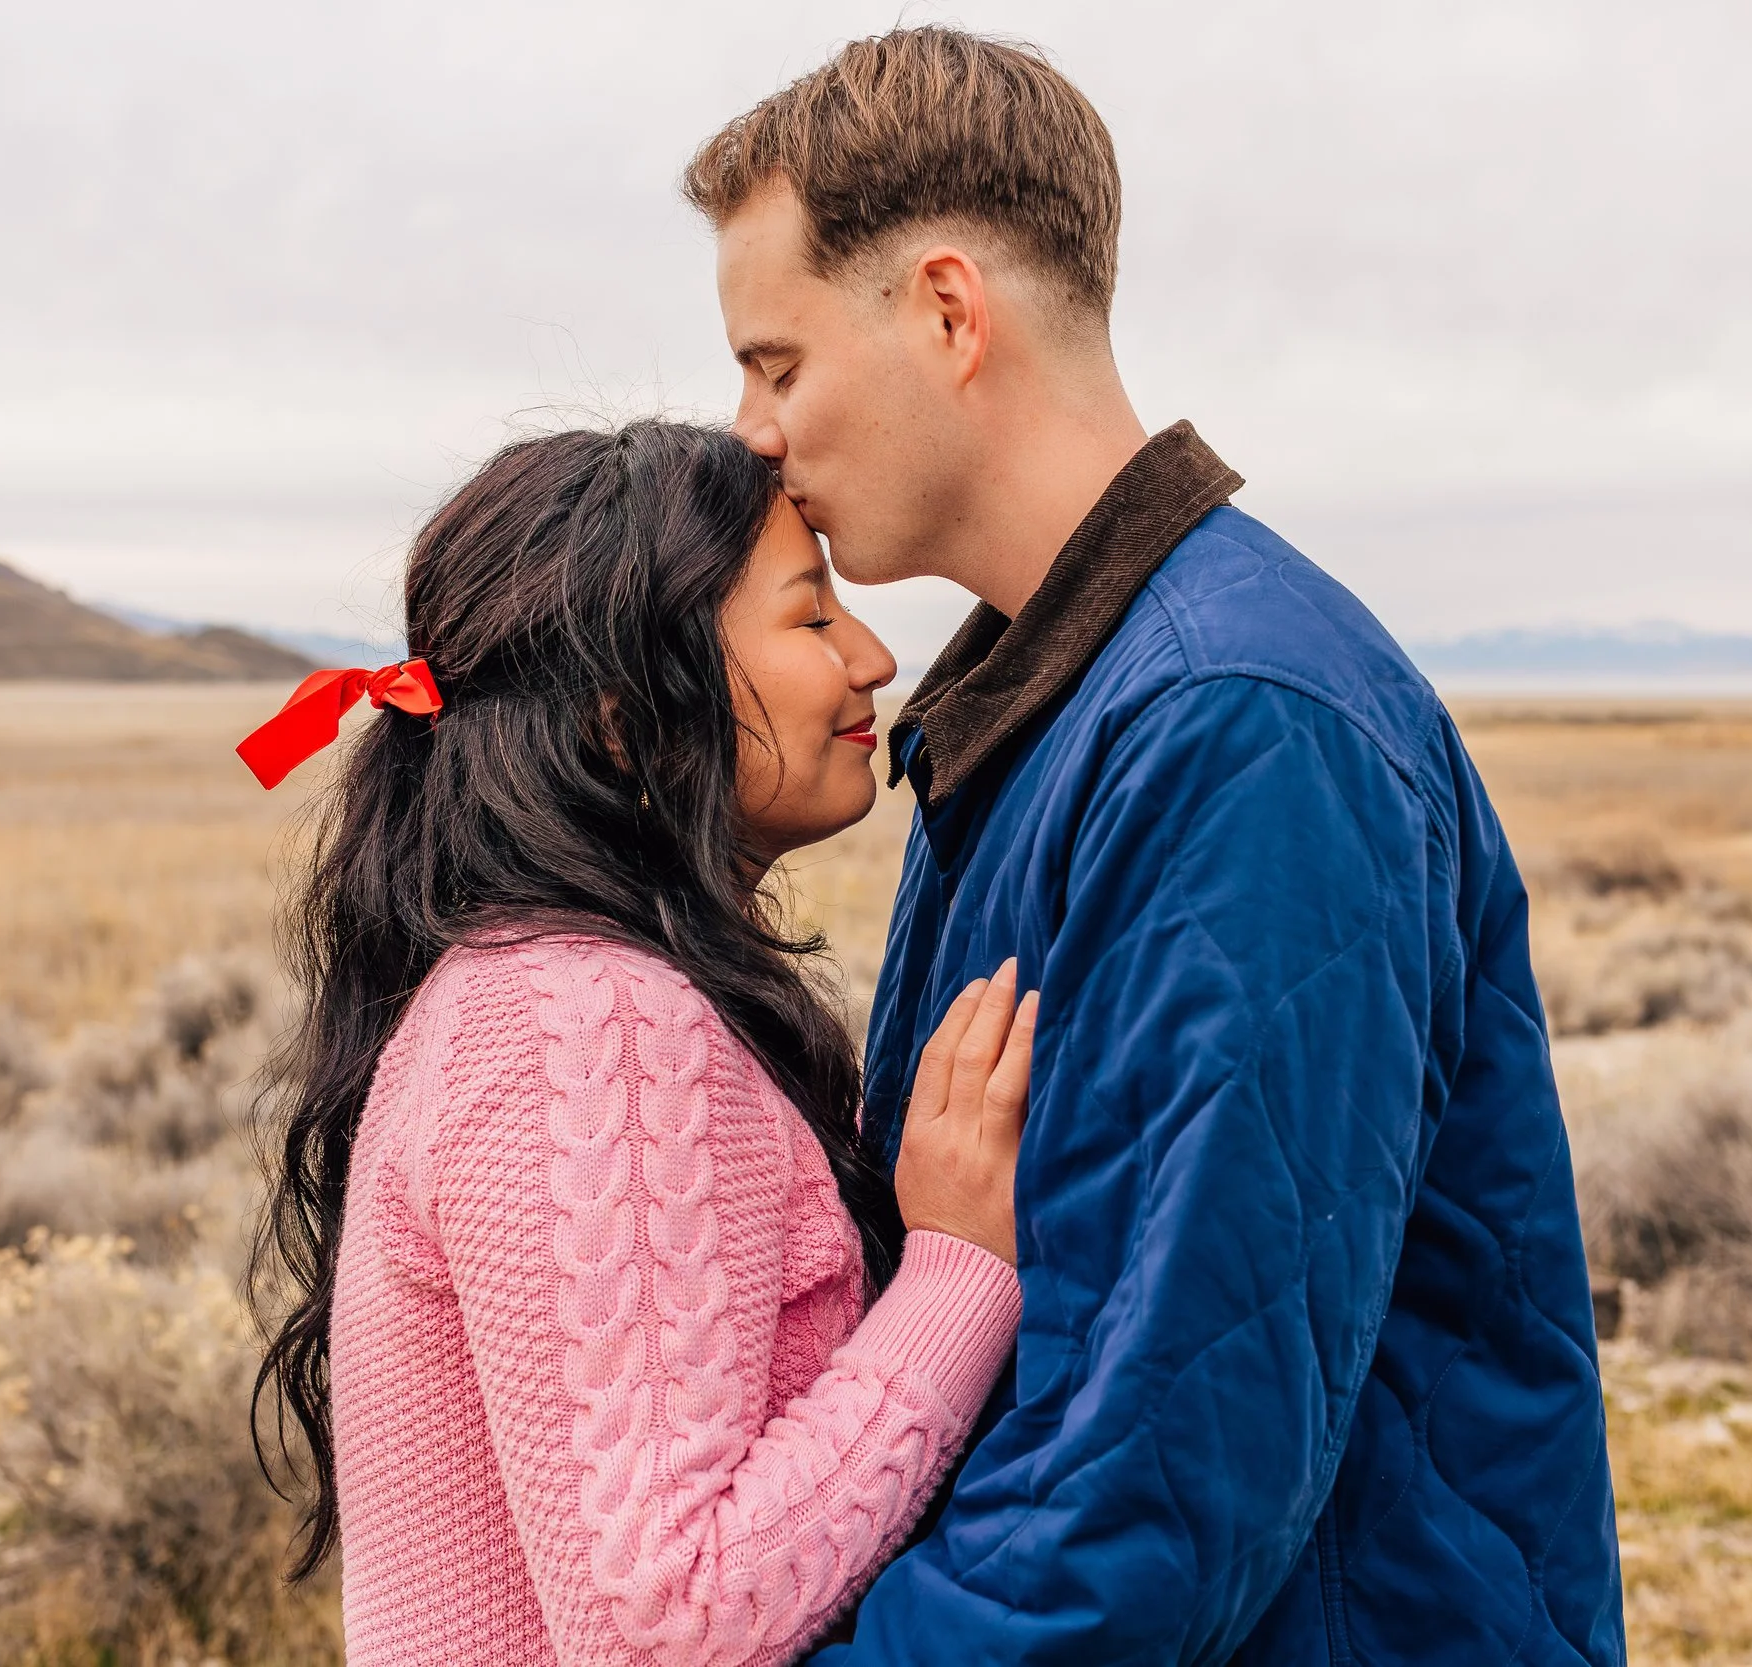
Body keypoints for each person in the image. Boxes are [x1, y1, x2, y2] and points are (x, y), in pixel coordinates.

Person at [682, 27, 1625, 1665]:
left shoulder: (1241, 726)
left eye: (776, 363)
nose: (752, 431)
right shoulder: (1054, 707)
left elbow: (1162, 1487)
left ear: (949, 313)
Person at [247, 423, 1041, 1664]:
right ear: (623, 721)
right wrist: (956, 1269)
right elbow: (669, 1624)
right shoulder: (588, 1023)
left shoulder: (535, 987)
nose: (876, 658)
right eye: (812, 618)